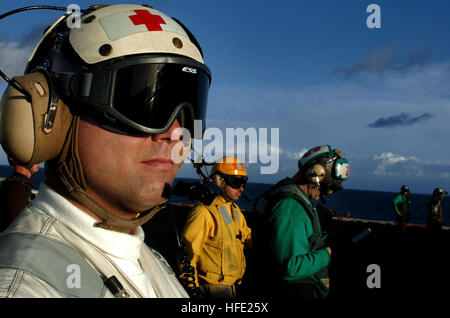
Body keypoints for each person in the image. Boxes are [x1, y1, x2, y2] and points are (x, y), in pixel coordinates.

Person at [0, 4, 211, 298]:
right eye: (144, 103)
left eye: (189, 107)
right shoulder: (22, 287)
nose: (176, 132)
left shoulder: (148, 260)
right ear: (52, 116)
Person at [253, 145, 349, 299]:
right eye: (325, 189)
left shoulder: (283, 193)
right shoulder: (290, 205)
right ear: (315, 174)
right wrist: (327, 254)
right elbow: (291, 267)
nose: (321, 196)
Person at [178, 156, 252, 298]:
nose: (241, 188)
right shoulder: (204, 212)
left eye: (244, 183)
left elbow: (248, 236)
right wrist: (191, 287)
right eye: (236, 182)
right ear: (220, 181)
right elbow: (188, 252)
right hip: (212, 288)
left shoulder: (235, 212)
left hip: (232, 287)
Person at [0, 158, 39, 232]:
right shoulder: (17, 191)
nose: (39, 162)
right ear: (27, 161)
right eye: (36, 158)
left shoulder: (13, 185)